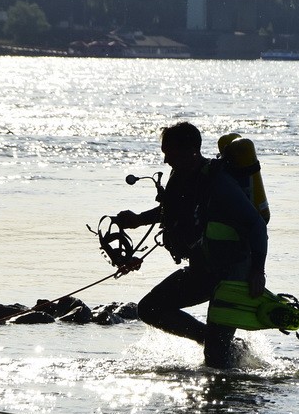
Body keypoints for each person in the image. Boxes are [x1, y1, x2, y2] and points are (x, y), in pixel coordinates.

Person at [114, 122, 267, 368]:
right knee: (151, 309)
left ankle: (233, 390)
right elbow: (172, 210)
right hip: (203, 271)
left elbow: (257, 225)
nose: (165, 159)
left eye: (170, 152)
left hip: (232, 277)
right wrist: (138, 220)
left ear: (191, 151)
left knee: (215, 360)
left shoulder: (219, 183)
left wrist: (258, 271)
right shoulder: (181, 176)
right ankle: (212, 340)